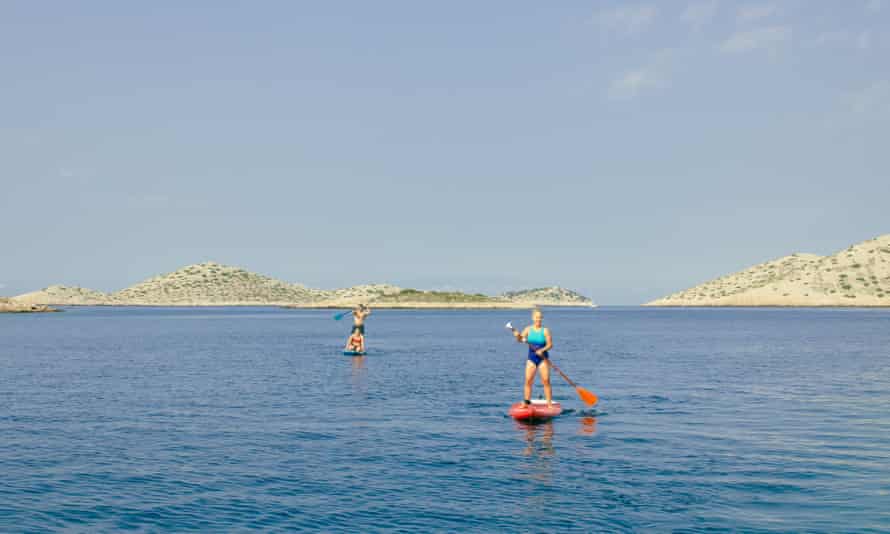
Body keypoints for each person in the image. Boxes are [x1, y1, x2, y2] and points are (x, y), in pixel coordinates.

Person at [512, 308, 553, 408]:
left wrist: (542, 350)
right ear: (532, 318)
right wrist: (517, 336)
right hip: (531, 358)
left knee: (546, 380)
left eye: (540, 317)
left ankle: (549, 404)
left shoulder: (545, 330)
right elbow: (520, 340)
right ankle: (526, 402)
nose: (538, 319)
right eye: (536, 317)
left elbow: (550, 345)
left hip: (543, 358)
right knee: (528, 380)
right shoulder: (528, 329)